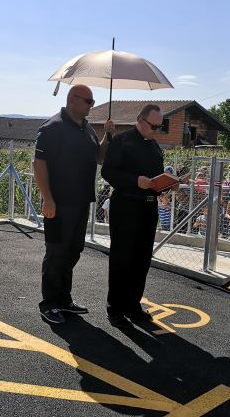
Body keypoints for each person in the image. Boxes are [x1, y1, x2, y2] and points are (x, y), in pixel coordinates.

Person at [33, 84, 114, 324]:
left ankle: (63, 299)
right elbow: (39, 164)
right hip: (58, 203)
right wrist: (47, 198)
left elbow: (99, 157)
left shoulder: (86, 128)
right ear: (72, 100)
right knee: (56, 252)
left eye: (92, 101)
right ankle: (49, 304)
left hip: (81, 202)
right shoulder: (52, 127)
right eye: (89, 101)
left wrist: (107, 136)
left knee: (73, 251)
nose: (92, 105)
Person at [101, 104, 176, 329]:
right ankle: (115, 308)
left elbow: (155, 178)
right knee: (122, 258)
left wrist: (168, 184)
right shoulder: (121, 141)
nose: (157, 131)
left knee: (142, 259)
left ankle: (133, 304)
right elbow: (108, 172)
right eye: (154, 126)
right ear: (140, 121)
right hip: (126, 206)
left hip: (148, 208)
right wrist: (135, 181)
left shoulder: (154, 146)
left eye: (160, 127)